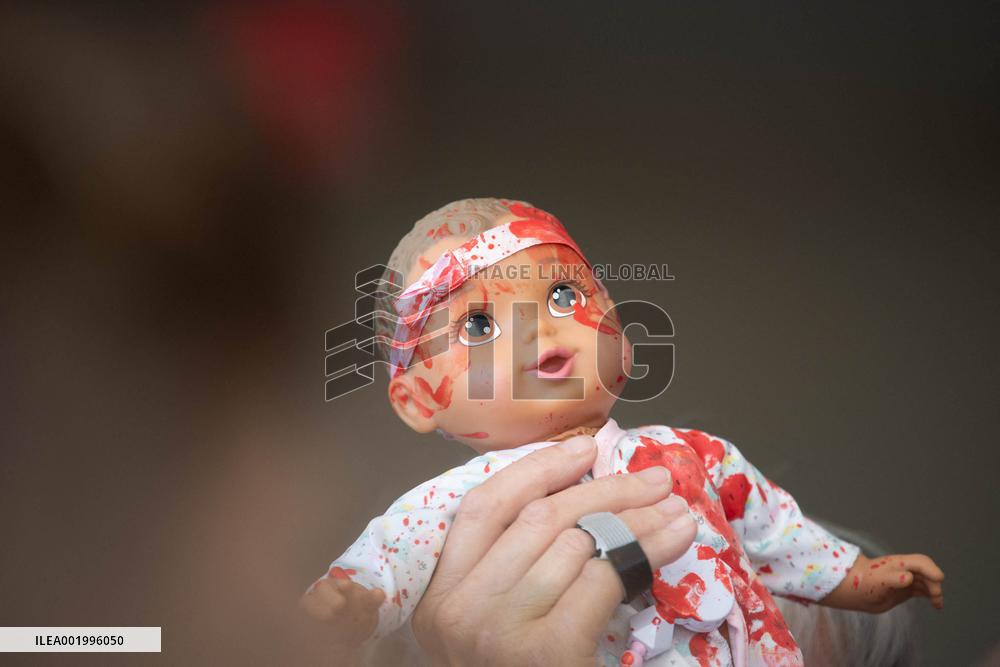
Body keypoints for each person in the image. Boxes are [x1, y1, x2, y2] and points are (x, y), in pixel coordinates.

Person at [303, 198, 944, 665]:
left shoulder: (691, 455)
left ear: (620, 329)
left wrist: (861, 578)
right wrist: (354, 602)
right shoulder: (467, 505)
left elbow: (776, 533)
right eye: (478, 326)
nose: (539, 331)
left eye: (561, 298)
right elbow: (393, 554)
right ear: (419, 400)